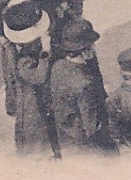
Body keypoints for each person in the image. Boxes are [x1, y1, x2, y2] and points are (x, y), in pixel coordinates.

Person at [49, 17, 118, 156]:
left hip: (66, 139)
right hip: (87, 150)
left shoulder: (58, 66)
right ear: (84, 49)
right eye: (92, 44)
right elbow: (92, 126)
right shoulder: (85, 84)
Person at [3, 2, 59, 159]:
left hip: (37, 100)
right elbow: (39, 77)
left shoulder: (21, 49)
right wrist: (46, 51)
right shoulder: (23, 61)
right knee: (37, 135)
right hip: (32, 106)